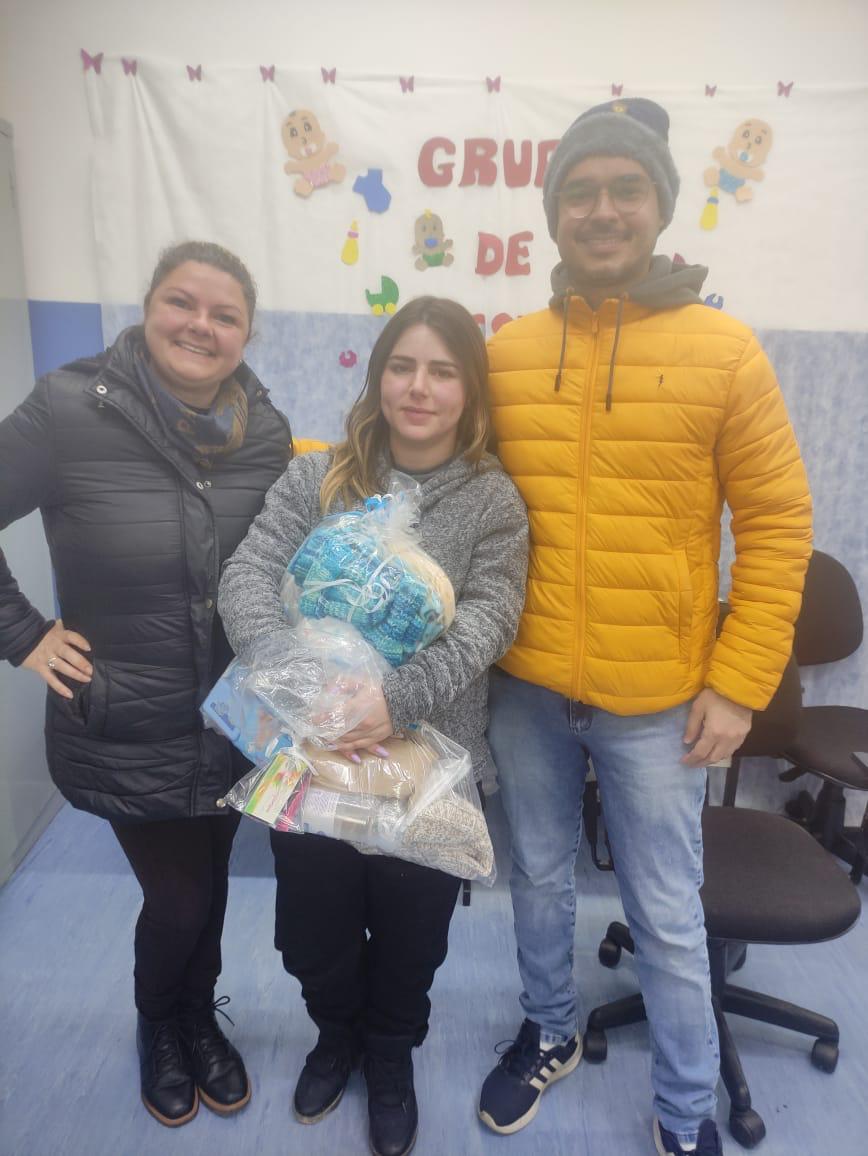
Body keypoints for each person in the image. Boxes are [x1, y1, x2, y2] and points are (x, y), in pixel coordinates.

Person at [477, 98, 812, 1156]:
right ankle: (549, 1028)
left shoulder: (725, 351)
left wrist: (740, 681)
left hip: (659, 697)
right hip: (526, 683)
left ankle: (683, 1108)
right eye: (579, 192)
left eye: (626, 189)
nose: (602, 209)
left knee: (666, 913)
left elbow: (776, 523)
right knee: (535, 876)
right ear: (553, 213)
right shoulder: (509, 353)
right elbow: (450, 486)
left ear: (660, 208)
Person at [218, 295, 528, 1156]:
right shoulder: (316, 477)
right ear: (378, 376)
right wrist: (301, 682)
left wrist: (399, 698)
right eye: (403, 366)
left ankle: (389, 1056)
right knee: (308, 934)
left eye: (442, 371)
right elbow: (247, 574)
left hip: (427, 763)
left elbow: (491, 619)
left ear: (469, 391)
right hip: (310, 750)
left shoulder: (493, 500)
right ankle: (336, 1035)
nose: (418, 387)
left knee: (411, 938)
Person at [0, 241, 294, 1128]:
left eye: (225, 315)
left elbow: (284, 560)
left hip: (236, 718)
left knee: (210, 882)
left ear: (247, 334)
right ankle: (159, 1026)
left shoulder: (265, 431)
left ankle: (198, 1017)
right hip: (125, 717)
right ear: (148, 306)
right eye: (182, 303)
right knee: (179, 896)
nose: (201, 326)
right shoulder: (68, 409)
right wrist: (23, 634)